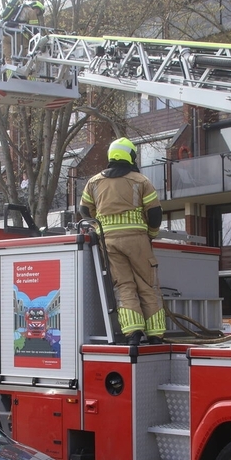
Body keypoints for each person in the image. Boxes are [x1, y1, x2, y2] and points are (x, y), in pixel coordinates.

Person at [79, 137, 165, 345]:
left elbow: (84, 211)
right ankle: (155, 334)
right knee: (147, 285)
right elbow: (154, 215)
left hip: (108, 242)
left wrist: (97, 229)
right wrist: (151, 234)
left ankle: (133, 332)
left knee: (124, 286)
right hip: (137, 240)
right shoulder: (141, 181)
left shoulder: (94, 182)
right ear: (130, 156)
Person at [1, 0, 45, 69]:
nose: (37, 13)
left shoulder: (18, 10)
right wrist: (40, 40)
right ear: (35, 7)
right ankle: (22, 75)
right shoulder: (31, 11)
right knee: (25, 58)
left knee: (9, 59)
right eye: (38, 11)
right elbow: (33, 29)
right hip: (18, 36)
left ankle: (11, 75)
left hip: (5, 35)